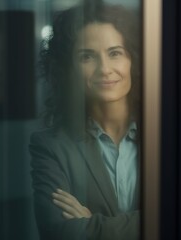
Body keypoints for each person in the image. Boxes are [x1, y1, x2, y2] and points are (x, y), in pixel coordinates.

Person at [29, 1, 141, 239]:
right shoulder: (51, 146)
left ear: (134, 60)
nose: (105, 69)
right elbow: (59, 232)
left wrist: (92, 226)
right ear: (69, 69)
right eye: (87, 56)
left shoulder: (167, 134)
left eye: (115, 53)